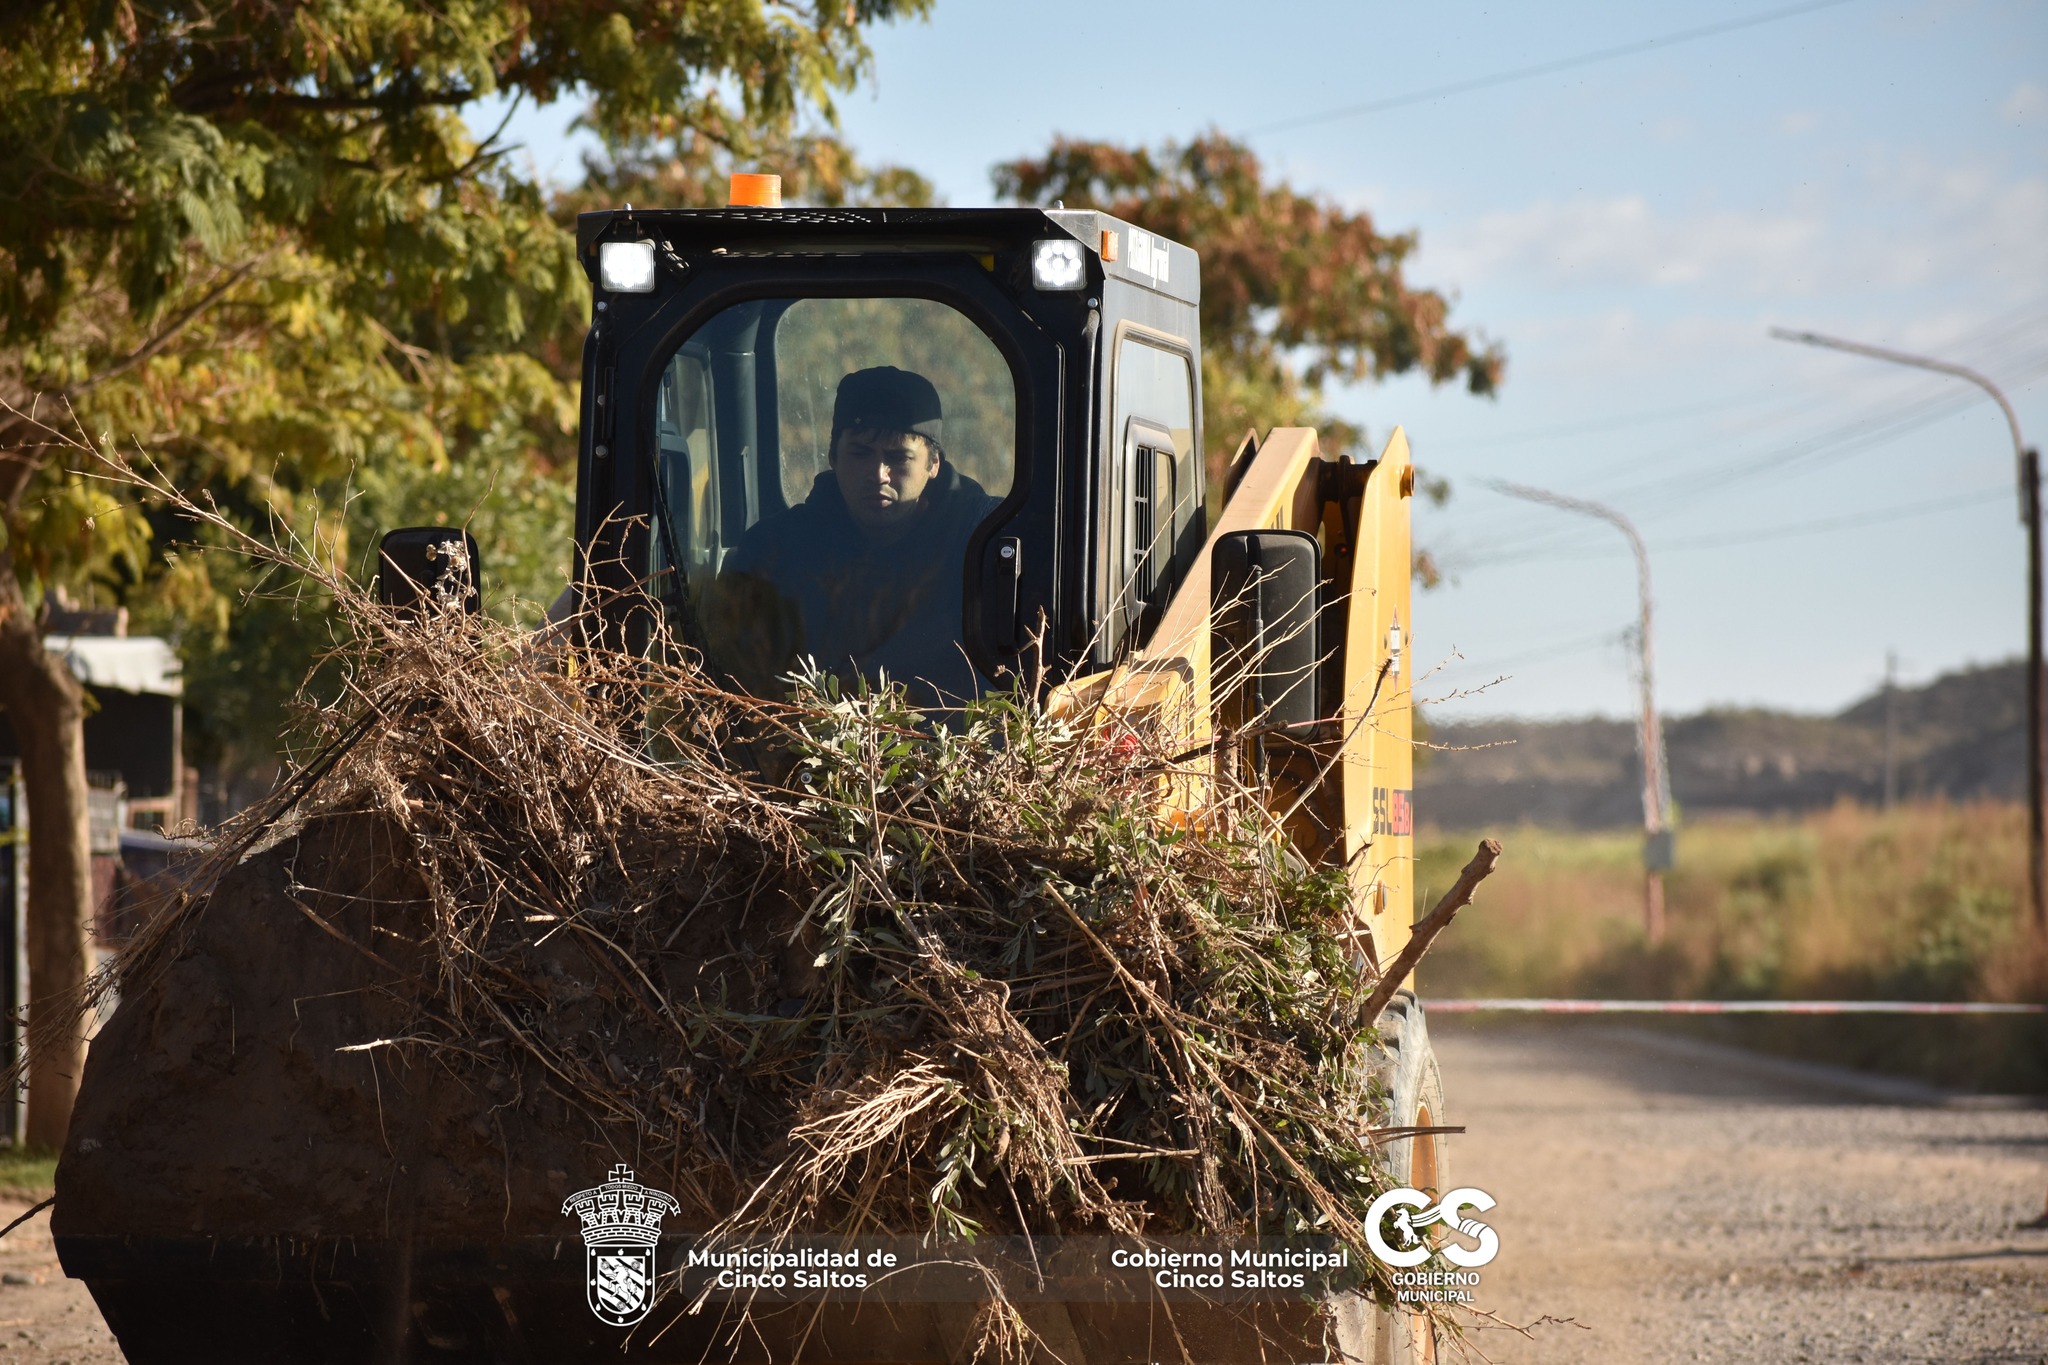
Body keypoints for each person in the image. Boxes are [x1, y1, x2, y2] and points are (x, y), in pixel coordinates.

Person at [706, 366, 999, 705]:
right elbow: (733, 683)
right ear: (833, 457)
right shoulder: (773, 551)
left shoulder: (985, 545)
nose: (878, 474)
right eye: (861, 453)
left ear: (933, 464)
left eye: (898, 457)